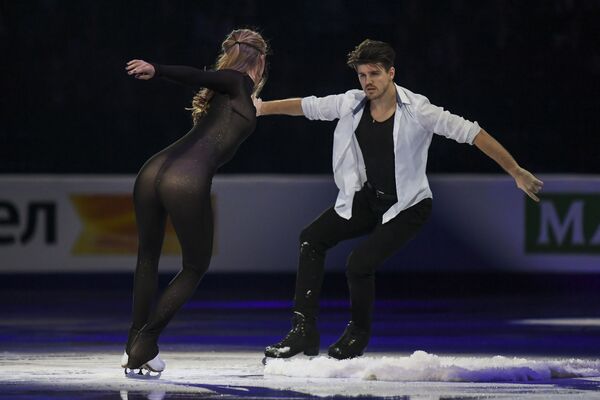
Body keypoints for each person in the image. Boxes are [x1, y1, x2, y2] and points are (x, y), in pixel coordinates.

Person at [255, 39, 543, 360]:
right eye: (362, 75)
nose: (368, 82)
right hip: (368, 198)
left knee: (358, 264)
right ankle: (303, 331)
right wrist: (261, 108)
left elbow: (472, 133)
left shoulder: (419, 110)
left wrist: (516, 170)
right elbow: (308, 106)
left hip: (409, 206)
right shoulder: (352, 103)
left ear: (391, 73)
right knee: (311, 239)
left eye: (374, 74)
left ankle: (358, 334)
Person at [121, 28, 268, 373]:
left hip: (152, 170)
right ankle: (145, 342)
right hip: (184, 179)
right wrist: (157, 69)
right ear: (259, 60)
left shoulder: (230, 94)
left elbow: (219, 92)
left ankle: (133, 345)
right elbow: (196, 75)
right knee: (195, 265)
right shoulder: (234, 81)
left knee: (148, 257)